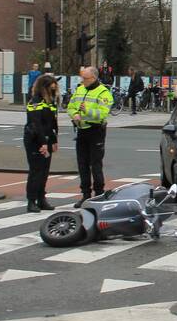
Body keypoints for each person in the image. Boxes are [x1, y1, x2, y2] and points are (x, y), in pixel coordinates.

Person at [67, 66, 114, 202]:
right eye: (82, 78)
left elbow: (103, 113)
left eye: (85, 78)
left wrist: (87, 111)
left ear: (93, 78)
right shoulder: (80, 89)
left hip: (96, 131)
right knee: (82, 164)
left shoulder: (103, 93)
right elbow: (70, 106)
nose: (83, 81)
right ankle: (85, 195)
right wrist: (75, 114)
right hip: (82, 130)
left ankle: (99, 195)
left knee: (96, 164)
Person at [23, 74, 59, 213]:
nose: (53, 92)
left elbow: (53, 122)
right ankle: (31, 201)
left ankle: (41, 198)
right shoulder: (35, 102)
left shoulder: (50, 102)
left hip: (47, 139)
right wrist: (42, 143)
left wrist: (54, 140)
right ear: (43, 88)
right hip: (34, 139)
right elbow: (36, 123)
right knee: (36, 171)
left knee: (44, 171)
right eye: (51, 89)